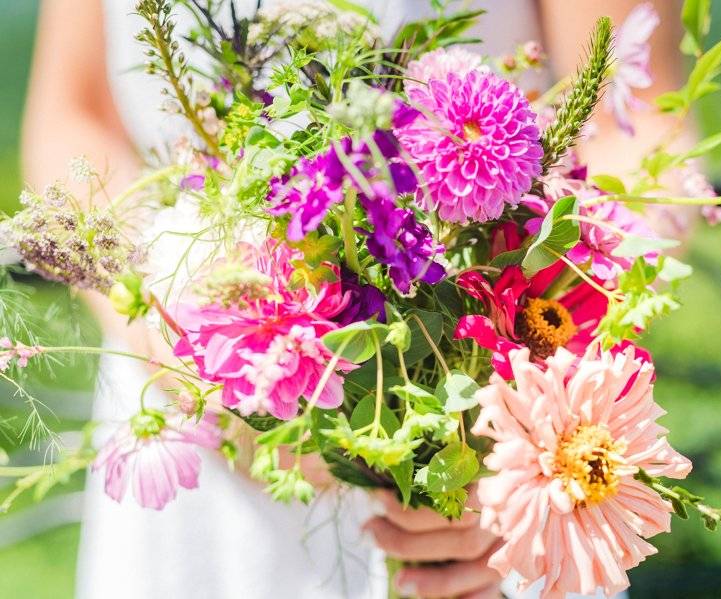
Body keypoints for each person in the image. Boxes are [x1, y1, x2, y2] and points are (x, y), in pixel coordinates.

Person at [22, 2, 682, 598]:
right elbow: (71, 120)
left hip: (478, 433)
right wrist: (154, 320)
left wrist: (523, 442)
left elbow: (641, 120)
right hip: (188, 441)